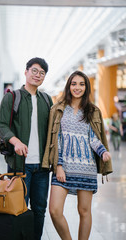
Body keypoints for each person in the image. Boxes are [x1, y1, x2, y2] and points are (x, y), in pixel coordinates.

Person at [42, 70, 113, 240]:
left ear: (86, 87)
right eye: (74, 84)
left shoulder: (93, 110)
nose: (77, 87)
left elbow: (93, 137)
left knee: (84, 210)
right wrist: (58, 165)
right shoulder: (58, 109)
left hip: (86, 168)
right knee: (54, 210)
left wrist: (103, 152)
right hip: (63, 167)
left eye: (81, 84)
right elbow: (56, 139)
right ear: (69, 86)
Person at [0, 57, 53, 240]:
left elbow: (53, 129)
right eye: (35, 71)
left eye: (42, 73)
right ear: (26, 72)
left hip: (42, 167)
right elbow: (3, 125)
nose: (38, 75)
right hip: (19, 166)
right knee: (17, 209)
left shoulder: (47, 100)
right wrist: (16, 141)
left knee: (39, 210)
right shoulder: (12, 97)